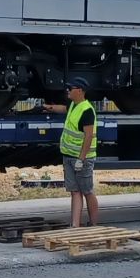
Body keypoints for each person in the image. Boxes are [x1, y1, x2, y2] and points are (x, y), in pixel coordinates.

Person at [55, 77, 99, 227]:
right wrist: (49, 107)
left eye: (71, 88)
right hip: (68, 156)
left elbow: (88, 136)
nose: (68, 90)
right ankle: (75, 225)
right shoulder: (74, 105)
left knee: (87, 191)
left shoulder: (87, 110)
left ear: (79, 91)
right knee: (74, 191)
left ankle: (93, 223)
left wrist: (81, 159)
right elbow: (64, 109)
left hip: (82, 159)